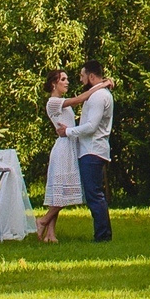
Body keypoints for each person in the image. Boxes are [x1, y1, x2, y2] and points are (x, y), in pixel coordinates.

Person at [68, 59, 115, 243]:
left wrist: (69, 132)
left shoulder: (98, 97)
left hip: (93, 150)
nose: (80, 79)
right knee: (93, 193)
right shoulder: (97, 94)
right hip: (91, 149)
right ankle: (102, 233)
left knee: (94, 194)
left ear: (92, 76)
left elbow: (91, 126)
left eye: (82, 76)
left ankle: (103, 235)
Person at [37, 70, 81, 244]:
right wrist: (100, 85)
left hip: (69, 147)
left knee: (59, 193)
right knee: (63, 192)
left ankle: (51, 234)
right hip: (63, 149)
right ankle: (43, 220)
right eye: (63, 79)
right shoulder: (53, 102)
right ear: (54, 83)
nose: (67, 82)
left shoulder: (63, 103)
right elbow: (79, 100)